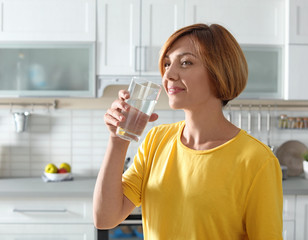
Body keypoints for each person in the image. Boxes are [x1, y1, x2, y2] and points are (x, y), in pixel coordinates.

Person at [93, 23, 283, 239]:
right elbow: (105, 218)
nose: (169, 75)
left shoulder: (257, 160)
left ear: (219, 71)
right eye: (166, 64)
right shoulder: (156, 141)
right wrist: (118, 140)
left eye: (185, 62)